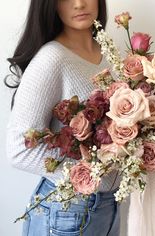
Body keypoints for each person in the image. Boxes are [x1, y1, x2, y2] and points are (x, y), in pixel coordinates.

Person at [5, 0, 121, 235]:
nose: (79, 4)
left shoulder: (109, 54)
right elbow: (19, 149)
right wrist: (90, 173)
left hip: (109, 206)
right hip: (66, 212)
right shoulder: (52, 59)